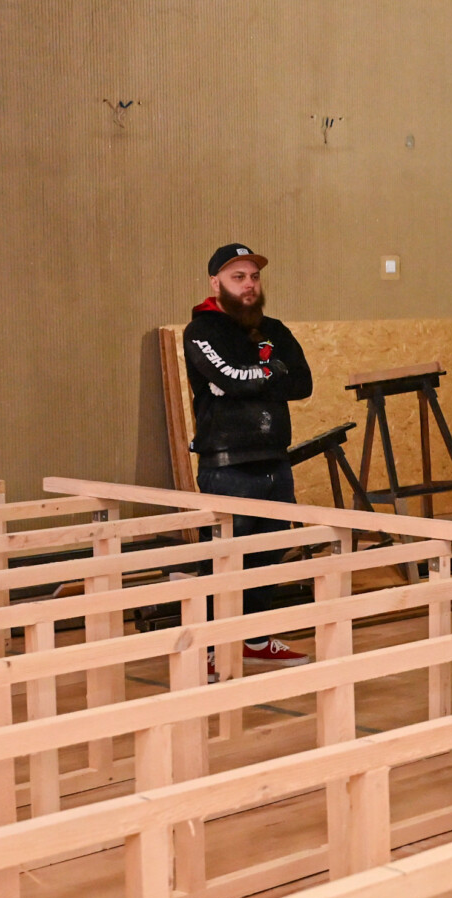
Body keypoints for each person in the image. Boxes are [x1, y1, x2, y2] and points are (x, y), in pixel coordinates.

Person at [183, 243, 315, 669]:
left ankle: (253, 639)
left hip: (275, 460)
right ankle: (208, 649)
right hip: (227, 466)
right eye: (238, 277)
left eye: (254, 277)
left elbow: (302, 383)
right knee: (223, 561)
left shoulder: (274, 328)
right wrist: (269, 373)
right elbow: (230, 379)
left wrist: (252, 377)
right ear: (215, 283)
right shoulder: (201, 331)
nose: (249, 285)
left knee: (268, 555)